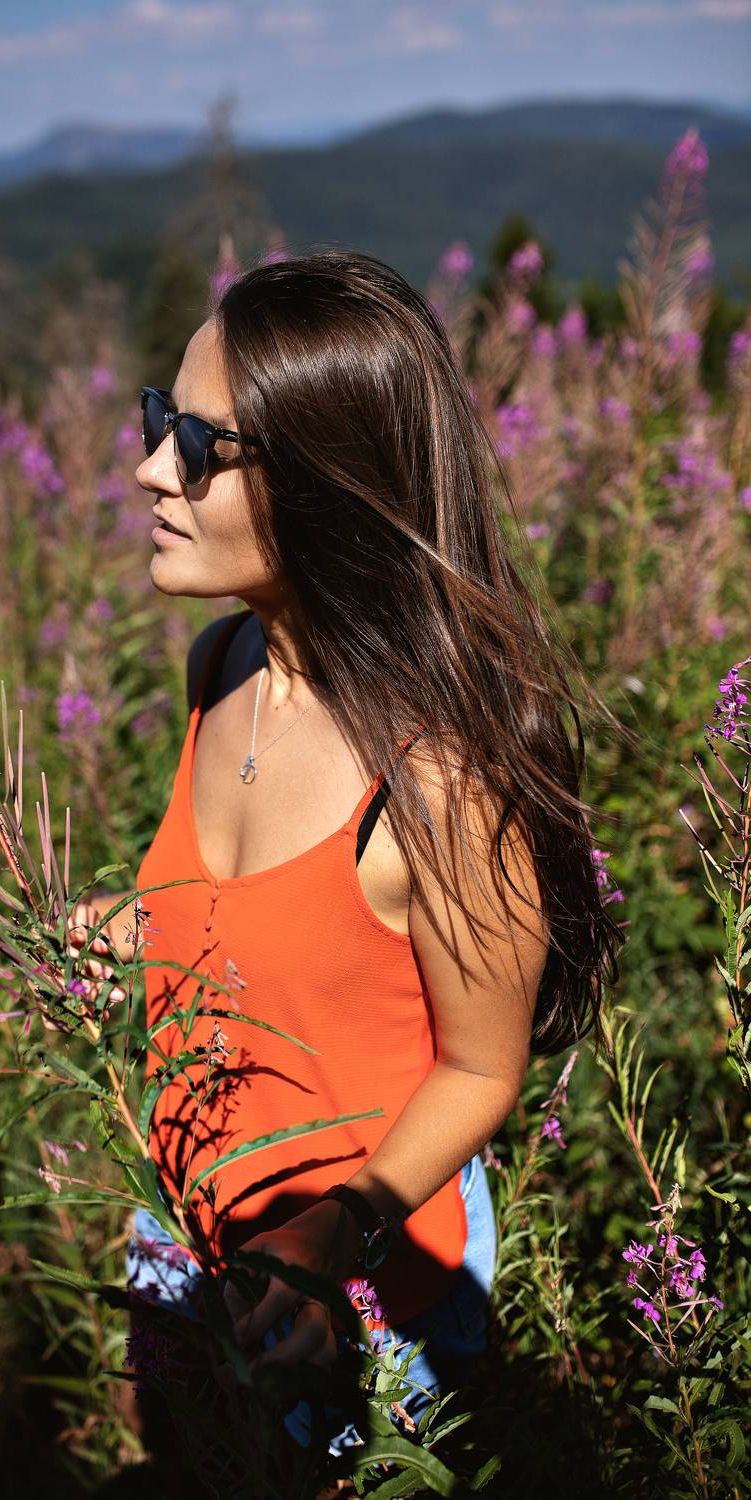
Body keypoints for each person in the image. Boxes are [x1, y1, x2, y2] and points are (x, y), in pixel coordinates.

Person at [70, 248, 624, 1485]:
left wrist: (339, 1234)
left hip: (359, 1302)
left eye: (199, 447)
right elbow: (247, 921)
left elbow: (481, 1068)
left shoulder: (440, 780)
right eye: (159, 419)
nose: (150, 468)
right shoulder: (221, 665)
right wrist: (127, 925)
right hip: (188, 1232)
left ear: (327, 486)